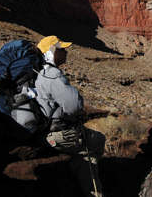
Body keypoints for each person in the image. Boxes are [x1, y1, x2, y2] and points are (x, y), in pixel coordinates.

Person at [35, 35, 106, 197]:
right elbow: (75, 106)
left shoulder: (39, 71)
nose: (66, 52)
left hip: (41, 130)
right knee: (97, 141)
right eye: (62, 49)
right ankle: (92, 191)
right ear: (51, 52)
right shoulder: (52, 74)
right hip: (54, 134)